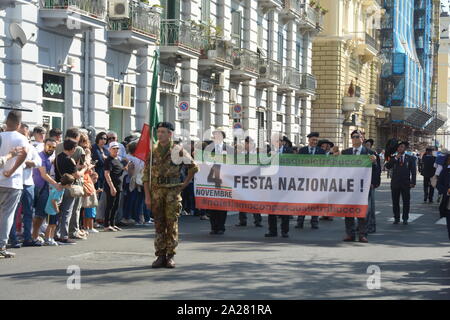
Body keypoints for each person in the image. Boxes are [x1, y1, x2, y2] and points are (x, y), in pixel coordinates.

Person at [143, 122, 199, 268]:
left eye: (163, 132)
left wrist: (184, 184)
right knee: (159, 224)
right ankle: (160, 255)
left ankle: (170, 255)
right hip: (156, 192)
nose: (159, 134)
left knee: (171, 223)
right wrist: (147, 196)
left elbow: (193, 168)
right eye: (158, 132)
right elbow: (145, 175)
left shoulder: (178, 150)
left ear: (170, 134)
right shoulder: (152, 151)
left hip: (172, 192)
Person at [0, 111, 29, 258]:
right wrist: (11, 171)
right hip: (13, 182)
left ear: (6, 122)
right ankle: (1, 246)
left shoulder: (1, 135)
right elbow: (24, 153)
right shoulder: (21, 138)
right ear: (18, 125)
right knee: (7, 215)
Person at [341, 130, 378, 243]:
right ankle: (350, 234)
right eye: (354, 137)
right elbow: (339, 168)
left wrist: (375, 163)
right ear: (351, 139)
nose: (356, 138)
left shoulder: (369, 153)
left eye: (358, 137)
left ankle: (362, 234)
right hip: (349, 186)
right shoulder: (345, 153)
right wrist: (335, 156)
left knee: (363, 211)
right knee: (348, 210)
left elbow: (376, 170)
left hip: (364, 187)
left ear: (362, 139)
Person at [9, 123, 42, 248]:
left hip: (28, 183)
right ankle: (12, 238)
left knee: (28, 212)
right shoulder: (13, 145)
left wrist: (31, 163)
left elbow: (38, 161)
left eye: (25, 133)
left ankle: (27, 237)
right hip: (14, 183)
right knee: (12, 212)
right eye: (21, 133)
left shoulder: (30, 147)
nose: (24, 136)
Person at [54, 139, 84, 244]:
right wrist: (85, 169)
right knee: (67, 212)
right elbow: (77, 175)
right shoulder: (69, 159)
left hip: (59, 186)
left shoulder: (57, 157)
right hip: (68, 187)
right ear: (72, 148)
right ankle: (64, 236)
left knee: (58, 212)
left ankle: (56, 234)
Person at [31, 138, 60, 244]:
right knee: (39, 214)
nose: (51, 149)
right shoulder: (41, 156)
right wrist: (55, 184)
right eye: (49, 146)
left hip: (43, 188)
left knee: (40, 214)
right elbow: (43, 174)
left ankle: (35, 235)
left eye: (53, 147)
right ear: (44, 145)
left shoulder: (49, 157)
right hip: (39, 188)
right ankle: (34, 236)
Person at [296, 132, 325, 229]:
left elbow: (324, 166)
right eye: (313, 140)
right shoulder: (302, 151)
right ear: (308, 140)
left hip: (316, 181)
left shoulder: (321, 152)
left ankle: (314, 221)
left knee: (315, 202)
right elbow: (297, 165)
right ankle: (300, 221)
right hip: (304, 181)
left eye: (316, 140)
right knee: (302, 202)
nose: (315, 142)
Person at [207, 127, 233, 235]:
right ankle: (214, 227)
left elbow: (234, 164)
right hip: (211, 179)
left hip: (224, 180)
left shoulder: (229, 149)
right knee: (212, 204)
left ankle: (221, 226)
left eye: (218, 134)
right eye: (214, 134)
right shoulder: (208, 148)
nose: (216, 136)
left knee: (222, 205)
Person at [266, 132, 292, 238]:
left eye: (278, 141)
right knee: (271, 209)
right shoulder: (269, 152)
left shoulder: (289, 152)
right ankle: (272, 231)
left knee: (285, 209)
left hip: (285, 184)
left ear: (282, 142)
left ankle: (284, 231)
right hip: (273, 184)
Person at [385, 140, 416, 225]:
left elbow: (413, 171)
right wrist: (395, 158)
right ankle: (396, 218)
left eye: (402, 147)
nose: (400, 148)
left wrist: (413, 182)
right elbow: (387, 166)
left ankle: (405, 218)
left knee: (406, 201)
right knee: (395, 202)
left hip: (406, 183)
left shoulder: (410, 158)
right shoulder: (393, 157)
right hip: (395, 183)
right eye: (398, 147)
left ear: (405, 148)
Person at [236, 136, 263, 228]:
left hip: (254, 180)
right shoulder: (242, 154)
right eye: (245, 144)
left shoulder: (256, 154)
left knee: (254, 201)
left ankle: (257, 220)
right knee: (242, 200)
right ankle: (242, 220)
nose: (246, 145)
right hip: (243, 179)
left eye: (247, 144)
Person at [44, 173, 75, 246]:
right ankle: (47, 239)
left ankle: (51, 238)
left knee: (54, 225)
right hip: (51, 210)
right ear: (67, 184)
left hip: (54, 209)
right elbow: (53, 201)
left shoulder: (60, 186)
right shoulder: (59, 190)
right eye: (70, 185)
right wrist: (57, 209)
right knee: (50, 225)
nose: (71, 186)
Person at [104, 141, 128, 232]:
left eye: (117, 148)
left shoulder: (118, 159)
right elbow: (107, 174)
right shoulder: (108, 160)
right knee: (110, 205)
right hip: (111, 186)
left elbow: (118, 172)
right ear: (109, 150)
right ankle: (107, 225)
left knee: (116, 206)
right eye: (113, 148)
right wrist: (111, 187)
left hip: (119, 185)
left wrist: (124, 169)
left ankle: (113, 224)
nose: (116, 150)